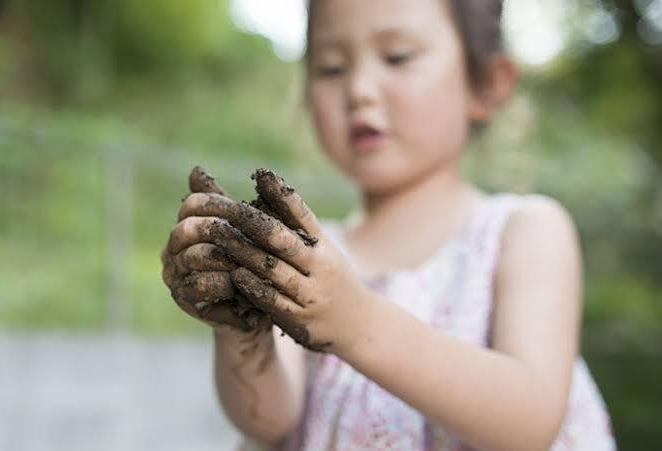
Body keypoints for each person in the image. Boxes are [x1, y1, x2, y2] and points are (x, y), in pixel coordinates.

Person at [161, 0, 617, 449]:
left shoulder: (524, 231)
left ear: (486, 83)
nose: (359, 88)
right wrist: (241, 329)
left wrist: (355, 322)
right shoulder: (315, 253)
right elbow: (270, 421)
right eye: (331, 67)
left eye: (397, 56)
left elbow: (531, 420)